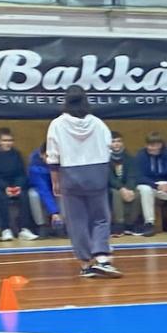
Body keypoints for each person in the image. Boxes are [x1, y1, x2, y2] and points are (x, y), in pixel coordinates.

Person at [45, 93, 119, 277]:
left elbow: (53, 155)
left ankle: (86, 264)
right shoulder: (97, 123)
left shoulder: (57, 124)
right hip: (96, 172)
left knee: (76, 220)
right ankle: (102, 258)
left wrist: (55, 181)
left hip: (69, 173)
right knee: (101, 217)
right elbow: (109, 147)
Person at [0, 128, 36, 241]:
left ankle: (24, 229)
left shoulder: (16, 154)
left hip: (15, 186)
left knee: (24, 195)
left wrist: (18, 186)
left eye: (10, 140)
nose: (8, 143)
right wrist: (5, 188)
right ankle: (5, 229)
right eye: (5, 140)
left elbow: (22, 173)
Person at [134, 133, 167, 234]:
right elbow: (139, 177)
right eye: (149, 145)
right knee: (145, 190)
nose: (151, 148)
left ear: (160, 145)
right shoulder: (140, 155)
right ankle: (149, 223)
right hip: (149, 184)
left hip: (166, 185)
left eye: (154, 145)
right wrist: (156, 186)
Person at [106, 134, 147, 234]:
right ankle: (119, 223)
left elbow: (132, 175)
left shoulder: (129, 158)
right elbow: (109, 178)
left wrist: (129, 188)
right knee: (116, 194)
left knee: (137, 193)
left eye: (119, 141)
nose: (116, 144)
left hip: (127, 186)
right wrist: (121, 188)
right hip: (111, 187)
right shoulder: (104, 159)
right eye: (113, 141)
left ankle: (131, 223)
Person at [27, 146, 61, 235]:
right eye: (47, 156)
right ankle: (41, 225)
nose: (50, 159)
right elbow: (43, 189)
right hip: (41, 189)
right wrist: (54, 212)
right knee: (33, 195)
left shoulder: (61, 163)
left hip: (57, 188)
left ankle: (64, 225)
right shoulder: (35, 167)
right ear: (41, 155)